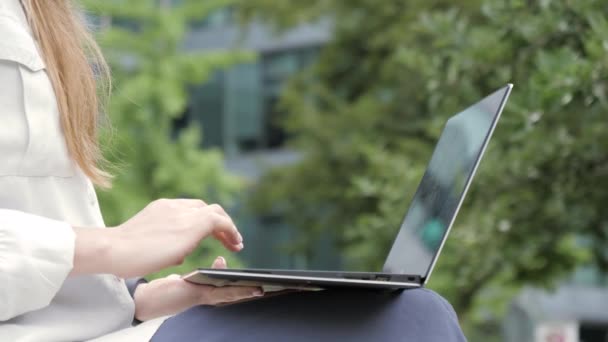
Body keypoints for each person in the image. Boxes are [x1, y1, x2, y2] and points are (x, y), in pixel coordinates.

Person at [0, 1, 466, 341]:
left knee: (407, 313)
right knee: (407, 323)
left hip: (96, 324)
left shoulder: (44, 15)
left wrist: (141, 297)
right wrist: (115, 246)